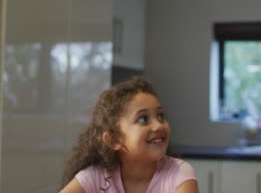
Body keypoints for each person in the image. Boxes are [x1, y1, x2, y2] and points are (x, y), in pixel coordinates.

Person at [59, 77, 198, 193]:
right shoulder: (96, 176)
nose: (158, 125)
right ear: (113, 140)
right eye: (143, 119)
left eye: (160, 116)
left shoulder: (179, 173)